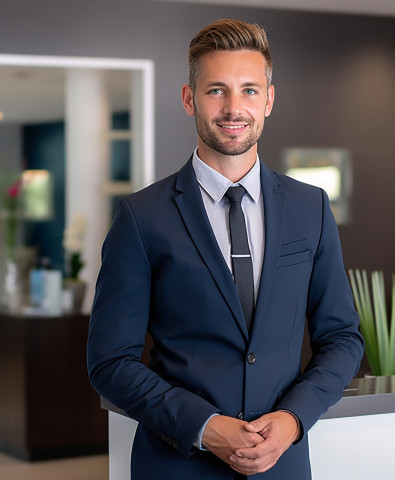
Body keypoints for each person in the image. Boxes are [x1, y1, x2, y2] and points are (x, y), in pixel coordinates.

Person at [87, 18, 364, 480]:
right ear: (189, 99)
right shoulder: (141, 216)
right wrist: (206, 426)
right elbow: (110, 362)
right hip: (177, 465)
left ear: (269, 100)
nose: (234, 107)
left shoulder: (309, 207)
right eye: (217, 90)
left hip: (282, 466)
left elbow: (342, 338)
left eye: (250, 90)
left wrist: (293, 418)